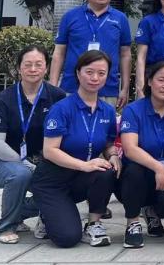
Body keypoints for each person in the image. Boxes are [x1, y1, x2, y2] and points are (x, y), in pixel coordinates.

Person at [0, 45, 66, 243]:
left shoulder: (57, 96)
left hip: (36, 157)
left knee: (61, 183)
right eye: (27, 64)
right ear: (19, 68)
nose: (33, 69)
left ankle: (18, 212)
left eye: (38, 64)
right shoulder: (3, 99)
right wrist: (24, 163)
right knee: (20, 174)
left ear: (46, 68)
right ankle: (6, 226)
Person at [30, 50, 120, 248]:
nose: (95, 78)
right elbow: (50, 150)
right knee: (67, 238)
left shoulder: (107, 111)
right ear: (78, 73)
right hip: (53, 181)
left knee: (106, 171)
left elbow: (107, 143)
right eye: (89, 72)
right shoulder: (62, 108)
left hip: (80, 179)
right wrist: (84, 165)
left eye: (101, 73)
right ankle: (47, 213)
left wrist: (113, 155)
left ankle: (94, 224)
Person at [117, 61, 164, 249]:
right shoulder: (133, 110)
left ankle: (151, 210)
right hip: (138, 177)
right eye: (161, 80)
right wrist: (158, 167)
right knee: (134, 171)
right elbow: (130, 148)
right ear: (150, 81)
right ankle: (133, 223)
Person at [50, 0, 132, 108]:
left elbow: (125, 55)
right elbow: (59, 53)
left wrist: (125, 88)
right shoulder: (70, 16)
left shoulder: (120, 18)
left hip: (107, 89)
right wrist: (53, 86)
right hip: (71, 87)